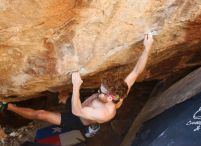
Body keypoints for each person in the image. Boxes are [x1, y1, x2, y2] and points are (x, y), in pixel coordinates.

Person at [0, 33, 154, 137]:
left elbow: (77, 110)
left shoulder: (104, 113)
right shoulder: (120, 91)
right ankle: (65, 98)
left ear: (111, 96)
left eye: (101, 90)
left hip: (78, 117)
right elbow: (135, 72)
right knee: (63, 94)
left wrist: (76, 86)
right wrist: (147, 48)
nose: (99, 89)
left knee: (40, 114)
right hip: (85, 104)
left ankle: (7, 106)